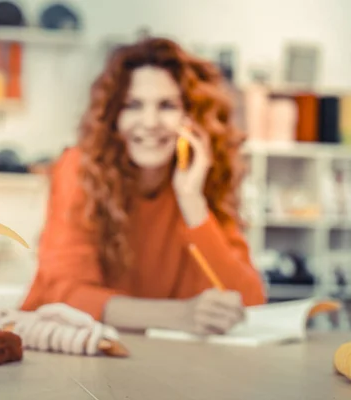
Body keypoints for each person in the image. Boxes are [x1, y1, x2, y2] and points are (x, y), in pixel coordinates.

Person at [20, 37, 266, 335]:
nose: (150, 122)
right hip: (73, 353)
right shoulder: (80, 168)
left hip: (161, 360)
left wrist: (192, 202)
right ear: (113, 118)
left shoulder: (203, 185)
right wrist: (180, 315)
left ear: (193, 117)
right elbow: (65, 294)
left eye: (167, 106)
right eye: (133, 105)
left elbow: (249, 303)